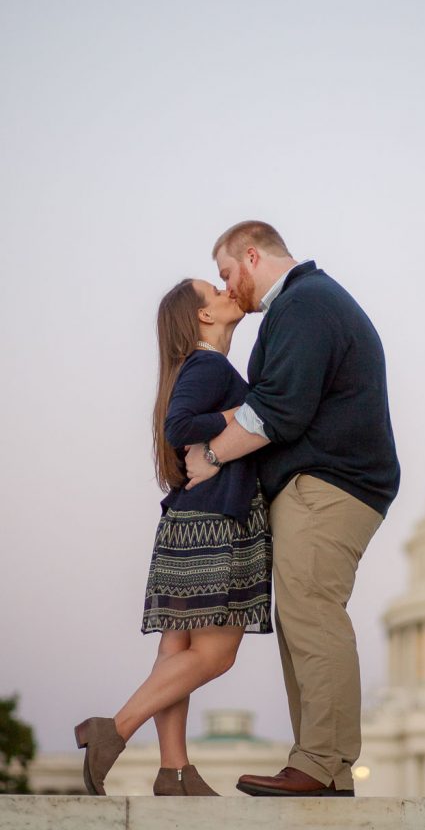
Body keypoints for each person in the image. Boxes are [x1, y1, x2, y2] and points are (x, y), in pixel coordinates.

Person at [185, 221, 400, 797]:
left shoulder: (304, 303)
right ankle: (321, 767)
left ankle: (322, 763)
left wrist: (209, 455)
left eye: (229, 273)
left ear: (252, 256)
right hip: (332, 482)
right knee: (302, 619)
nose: (230, 288)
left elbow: (278, 411)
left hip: (328, 483)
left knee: (312, 614)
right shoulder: (309, 302)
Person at [74, 278, 272, 796]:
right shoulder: (208, 365)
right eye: (216, 291)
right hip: (216, 524)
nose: (231, 291)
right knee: (215, 654)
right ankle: (112, 730)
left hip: (189, 520)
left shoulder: (198, 366)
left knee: (176, 650)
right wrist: (244, 413)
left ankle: (174, 771)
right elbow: (179, 425)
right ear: (203, 317)